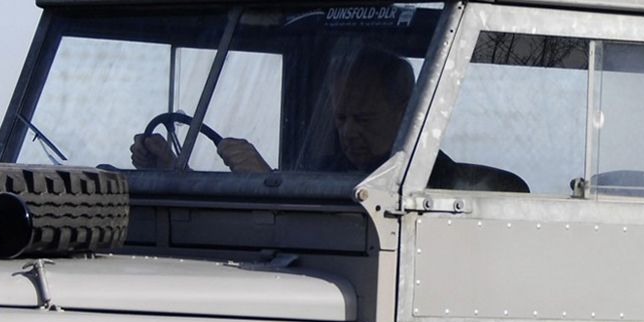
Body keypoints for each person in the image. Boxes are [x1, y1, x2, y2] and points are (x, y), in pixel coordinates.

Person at [128, 49, 524, 191]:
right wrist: (172, 170)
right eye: (341, 117)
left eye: (364, 118)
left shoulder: (437, 185)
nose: (349, 132)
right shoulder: (325, 171)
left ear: (407, 111)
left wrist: (266, 179)